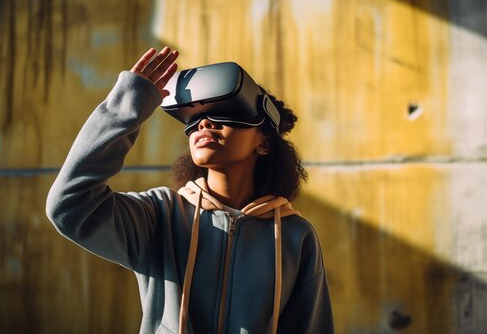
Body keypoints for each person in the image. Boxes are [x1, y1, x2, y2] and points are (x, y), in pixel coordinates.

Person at [46, 46, 334, 333]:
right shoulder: (159, 215)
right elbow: (69, 205)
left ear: (264, 142)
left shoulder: (296, 236)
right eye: (193, 120)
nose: (204, 123)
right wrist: (129, 104)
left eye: (225, 113)